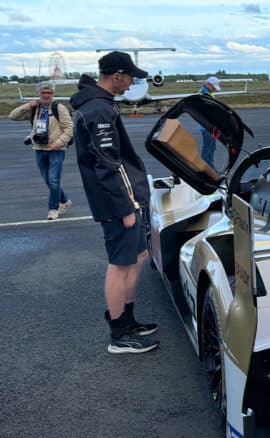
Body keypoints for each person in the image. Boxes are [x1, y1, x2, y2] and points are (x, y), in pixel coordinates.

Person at [69, 51, 159, 354]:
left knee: (138, 257)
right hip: (118, 203)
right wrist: (126, 207)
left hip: (126, 199)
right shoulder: (98, 111)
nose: (132, 82)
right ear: (117, 75)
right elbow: (107, 164)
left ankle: (128, 320)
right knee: (120, 265)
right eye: (130, 76)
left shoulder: (101, 105)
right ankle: (119, 335)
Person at [8, 81, 74, 220]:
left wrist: (58, 143)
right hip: (39, 148)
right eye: (43, 93)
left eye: (49, 93)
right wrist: (28, 105)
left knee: (54, 180)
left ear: (53, 94)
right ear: (38, 93)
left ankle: (53, 209)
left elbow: (69, 129)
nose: (46, 95)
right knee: (48, 181)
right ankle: (65, 201)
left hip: (56, 149)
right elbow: (12, 116)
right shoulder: (34, 109)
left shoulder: (59, 108)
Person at [199, 76, 222, 171]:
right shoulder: (204, 94)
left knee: (211, 148)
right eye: (214, 87)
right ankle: (207, 169)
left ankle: (209, 168)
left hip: (210, 127)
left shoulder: (208, 93)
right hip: (206, 127)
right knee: (208, 149)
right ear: (209, 84)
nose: (215, 89)